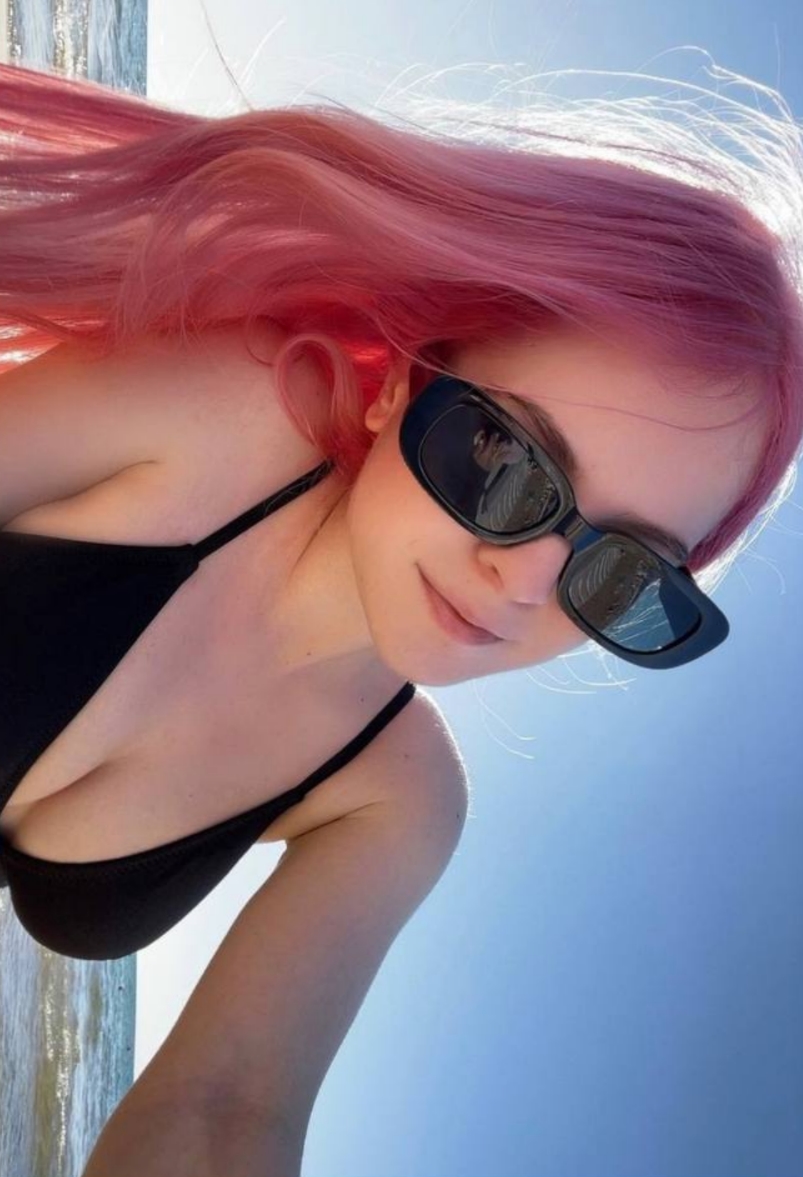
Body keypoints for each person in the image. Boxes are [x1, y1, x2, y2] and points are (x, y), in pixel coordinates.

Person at [0, 55, 800, 1177]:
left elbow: (224, 1112)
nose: (524, 580)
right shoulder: (229, 415)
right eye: (503, 457)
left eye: (623, 572)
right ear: (397, 386)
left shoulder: (399, 798)